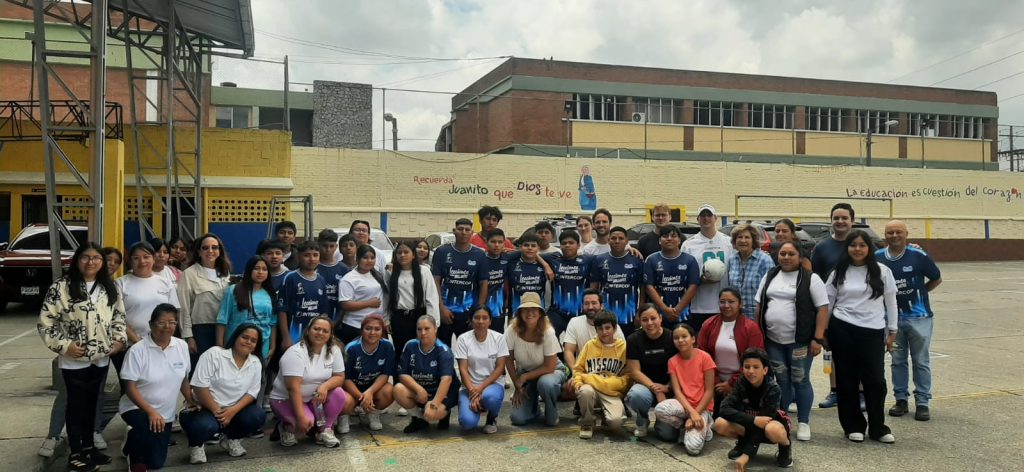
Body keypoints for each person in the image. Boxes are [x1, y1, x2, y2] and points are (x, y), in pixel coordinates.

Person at [38, 242, 127, 472]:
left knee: (91, 403)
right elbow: (46, 322)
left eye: (96, 258)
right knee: (76, 405)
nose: (91, 262)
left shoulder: (109, 287)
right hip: (73, 359)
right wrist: (65, 346)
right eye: (85, 257)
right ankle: (75, 453)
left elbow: (118, 316)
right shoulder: (62, 287)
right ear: (77, 260)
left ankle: (89, 448)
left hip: (101, 356)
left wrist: (118, 340)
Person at [825, 230, 898, 444]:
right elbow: (828, 303)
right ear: (847, 248)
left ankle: (878, 428)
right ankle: (853, 426)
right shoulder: (838, 272)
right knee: (846, 379)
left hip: (873, 331)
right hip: (842, 328)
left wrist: (892, 332)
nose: (857, 249)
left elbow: (891, 302)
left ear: (869, 248)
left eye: (862, 245)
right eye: (853, 245)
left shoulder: (882, 271)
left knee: (875, 380)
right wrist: (824, 332)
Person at [754, 241, 829, 441]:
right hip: (773, 341)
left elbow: (822, 309)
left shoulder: (811, 278)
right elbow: (759, 305)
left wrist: (818, 338)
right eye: (783, 254)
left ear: (800, 257)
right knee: (781, 381)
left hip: (800, 342)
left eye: (791, 254)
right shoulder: (770, 275)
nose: (786, 257)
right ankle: (782, 418)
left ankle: (803, 422)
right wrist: (759, 334)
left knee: (800, 380)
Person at [878, 220, 942, 421]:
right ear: (885, 235)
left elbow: (936, 278)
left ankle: (922, 402)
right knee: (897, 360)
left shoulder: (918, 255)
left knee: (920, 360)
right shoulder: (877, 258)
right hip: (891, 319)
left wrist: (921, 293)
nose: (894, 236)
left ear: (906, 234)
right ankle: (901, 399)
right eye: (890, 232)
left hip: (918, 318)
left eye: (898, 232)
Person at [119, 303, 192, 471]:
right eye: (161, 322)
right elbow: (129, 387)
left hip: (165, 415)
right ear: (151, 325)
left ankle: (130, 441)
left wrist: (191, 399)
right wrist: (150, 411)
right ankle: (134, 452)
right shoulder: (137, 350)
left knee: (156, 463)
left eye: (172, 322)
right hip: (136, 408)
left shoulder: (181, 346)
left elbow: (184, 378)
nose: (167, 326)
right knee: (143, 431)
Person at [182, 324, 266, 464]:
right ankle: (196, 445)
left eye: (253, 340)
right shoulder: (215, 354)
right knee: (204, 426)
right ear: (235, 337)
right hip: (204, 407)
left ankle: (232, 439)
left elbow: (252, 393)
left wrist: (232, 411)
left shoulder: (255, 362)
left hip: (233, 410)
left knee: (257, 416)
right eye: (244, 337)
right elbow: (199, 385)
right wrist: (218, 412)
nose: (248, 342)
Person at [269, 316, 348, 448]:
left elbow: (339, 376)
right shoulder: (295, 353)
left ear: (330, 335)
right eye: (316, 329)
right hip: (285, 399)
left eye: (325, 331)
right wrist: (301, 417)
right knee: (306, 422)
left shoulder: (334, 350)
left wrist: (325, 386)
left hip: (313, 398)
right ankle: (286, 427)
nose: (320, 333)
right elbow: (293, 389)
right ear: (308, 330)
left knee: (338, 393)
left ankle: (325, 430)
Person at [714, 348, 793, 471]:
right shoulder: (741, 383)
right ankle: (743, 443)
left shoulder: (773, 388)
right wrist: (753, 419)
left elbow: (763, 423)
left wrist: (747, 455)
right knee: (720, 423)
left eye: (756, 367)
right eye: (747, 367)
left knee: (772, 429)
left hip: (772, 425)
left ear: (765, 370)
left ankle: (785, 447)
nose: (751, 371)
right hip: (752, 422)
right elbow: (724, 408)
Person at [811, 203, 855, 409]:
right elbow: (815, 278)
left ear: (852, 221)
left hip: (856, 308)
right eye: (836, 218)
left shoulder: (860, 244)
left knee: (858, 353)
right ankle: (835, 391)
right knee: (831, 352)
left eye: (844, 218)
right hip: (830, 310)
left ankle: (859, 393)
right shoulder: (822, 248)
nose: (840, 221)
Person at [696, 289, 765, 416]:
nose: (726, 305)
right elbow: (701, 355)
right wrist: (715, 381)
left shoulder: (751, 328)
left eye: (731, 302)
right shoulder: (708, 324)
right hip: (713, 380)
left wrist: (731, 383)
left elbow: (756, 360)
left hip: (744, 379)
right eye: (722, 302)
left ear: (740, 304)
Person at [116, 242, 180, 379]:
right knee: (131, 384)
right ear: (129, 261)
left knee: (158, 382)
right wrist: (137, 340)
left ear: (153, 258)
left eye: (146, 257)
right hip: (130, 345)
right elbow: (116, 316)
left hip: (160, 345)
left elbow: (173, 314)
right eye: (136, 258)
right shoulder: (121, 283)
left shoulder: (165, 283)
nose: (142, 261)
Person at [653, 323, 716, 455]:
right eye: (676, 338)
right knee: (660, 409)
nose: (680, 340)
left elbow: (709, 391)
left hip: (702, 407)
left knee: (693, 448)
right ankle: (684, 426)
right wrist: (690, 414)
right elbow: (677, 391)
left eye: (684, 336)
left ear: (693, 339)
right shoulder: (672, 361)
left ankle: (706, 426)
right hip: (683, 405)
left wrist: (695, 414)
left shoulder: (705, 357)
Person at [506, 292, 568, 427]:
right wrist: (517, 384)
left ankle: (551, 411)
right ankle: (534, 409)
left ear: (540, 313)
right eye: (525, 310)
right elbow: (508, 359)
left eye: (534, 309)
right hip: (526, 373)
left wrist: (523, 378)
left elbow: (549, 367)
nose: (530, 313)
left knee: (546, 384)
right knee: (518, 419)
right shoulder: (511, 330)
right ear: (520, 313)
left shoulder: (548, 331)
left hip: (551, 372)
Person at [395, 315, 459, 433]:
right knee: (398, 389)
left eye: (427, 329)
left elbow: (446, 381)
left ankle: (445, 414)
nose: (423, 333)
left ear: (435, 329)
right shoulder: (410, 345)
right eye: (419, 329)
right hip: (422, 390)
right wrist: (419, 389)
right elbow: (402, 374)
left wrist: (434, 405)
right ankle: (418, 419)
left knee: (435, 413)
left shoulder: (444, 350)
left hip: (442, 391)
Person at [573, 309, 630, 439]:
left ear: (615, 328)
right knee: (585, 391)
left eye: (607, 328)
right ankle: (587, 423)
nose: (604, 332)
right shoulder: (590, 345)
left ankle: (606, 415)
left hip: (611, 392)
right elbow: (578, 370)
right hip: (591, 389)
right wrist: (578, 382)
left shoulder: (623, 348)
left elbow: (628, 377)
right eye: (600, 329)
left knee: (616, 423)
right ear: (596, 330)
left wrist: (590, 378)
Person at [433, 218, 489, 345]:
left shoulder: (480, 254)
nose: (463, 232)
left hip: (468, 312)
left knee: (468, 350)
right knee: (443, 349)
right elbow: (435, 281)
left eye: (467, 230)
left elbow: (483, 283)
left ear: (472, 233)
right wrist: (440, 308)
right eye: (460, 229)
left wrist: (477, 312)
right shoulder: (442, 252)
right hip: (445, 311)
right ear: (454, 231)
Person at [681, 204, 734, 337]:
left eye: (709, 215)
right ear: (698, 219)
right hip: (699, 306)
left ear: (715, 218)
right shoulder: (689, 244)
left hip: (724, 304)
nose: (706, 218)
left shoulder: (728, 242)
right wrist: (699, 280)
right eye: (703, 216)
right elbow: (684, 274)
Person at [178, 234, 232, 363]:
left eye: (214, 247)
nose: (210, 251)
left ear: (220, 251)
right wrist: (188, 337)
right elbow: (183, 308)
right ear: (198, 252)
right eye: (205, 248)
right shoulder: (189, 274)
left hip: (224, 329)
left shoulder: (225, 273)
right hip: (200, 332)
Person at [455, 307, 509, 434]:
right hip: (470, 387)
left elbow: (500, 368)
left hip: (492, 384)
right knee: (467, 423)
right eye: (477, 318)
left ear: (490, 321)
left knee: (490, 398)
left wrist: (480, 389)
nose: (480, 321)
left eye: (485, 318)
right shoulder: (463, 339)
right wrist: (472, 392)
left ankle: (491, 418)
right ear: (471, 320)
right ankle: (479, 406)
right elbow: (463, 369)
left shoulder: (499, 338)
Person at [625, 304, 676, 438]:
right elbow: (635, 372)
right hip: (646, 389)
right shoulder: (633, 340)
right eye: (645, 320)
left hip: (670, 388)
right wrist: (657, 390)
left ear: (660, 318)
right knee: (635, 394)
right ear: (640, 322)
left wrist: (667, 387)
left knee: (668, 436)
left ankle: (662, 418)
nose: (649, 323)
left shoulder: (672, 338)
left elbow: (681, 370)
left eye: (653, 318)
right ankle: (642, 420)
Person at [216, 256, 277, 361]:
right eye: (256, 268)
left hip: (261, 346)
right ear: (249, 270)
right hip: (235, 345)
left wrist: (272, 347)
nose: (260, 272)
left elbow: (272, 323)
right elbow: (222, 319)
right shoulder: (234, 290)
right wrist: (219, 345)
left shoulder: (270, 294)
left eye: (264, 269)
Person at [341, 315, 395, 432]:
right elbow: (345, 379)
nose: (372, 332)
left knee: (389, 391)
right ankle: (344, 415)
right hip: (352, 388)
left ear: (382, 331)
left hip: (372, 388)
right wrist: (363, 398)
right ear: (361, 330)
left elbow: (385, 374)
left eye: (377, 329)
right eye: (368, 328)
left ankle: (372, 412)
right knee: (345, 400)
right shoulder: (351, 348)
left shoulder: (387, 346)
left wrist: (370, 392)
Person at [388, 241, 440, 360]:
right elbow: (387, 298)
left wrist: (434, 323)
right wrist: (387, 319)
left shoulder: (424, 271)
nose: (402, 255)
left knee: (421, 351)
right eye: (399, 252)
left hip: (419, 316)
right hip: (399, 319)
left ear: (413, 255)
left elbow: (431, 298)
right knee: (401, 353)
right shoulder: (391, 273)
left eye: (406, 252)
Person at [590, 226, 644, 337]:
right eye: (613, 238)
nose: (617, 241)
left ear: (627, 241)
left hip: (629, 314)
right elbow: (594, 288)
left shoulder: (636, 260)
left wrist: (640, 312)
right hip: (605, 315)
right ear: (608, 240)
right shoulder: (599, 259)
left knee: (628, 344)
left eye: (621, 238)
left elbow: (643, 288)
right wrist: (595, 310)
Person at [277, 241, 332, 349]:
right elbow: (282, 310)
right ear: (298, 257)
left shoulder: (321, 280)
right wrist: (286, 337)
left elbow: (323, 313)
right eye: (307, 255)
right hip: (294, 333)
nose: (312, 259)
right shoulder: (290, 278)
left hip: (315, 335)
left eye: (315, 255)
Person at [644, 225, 700, 328]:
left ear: (679, 240)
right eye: (665, 236)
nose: (669, 239)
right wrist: (664, 309)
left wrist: (678, 309)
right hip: (658, 315)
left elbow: (693, 286)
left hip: (683, 314)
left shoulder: (690, 260)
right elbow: (649, 287)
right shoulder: (651, 260)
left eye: (673, 236)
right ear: (659, 241)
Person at [544, 230, 593, 336]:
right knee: (548, 337)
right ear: (560, 246)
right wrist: (546, 265)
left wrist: (628, 248)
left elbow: (608, 257)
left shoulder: (588, 260)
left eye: (571, 243)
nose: (567, 245)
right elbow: (533, 254)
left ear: (578, 245)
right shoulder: (553, 259)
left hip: (579, 313)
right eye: (564, 243)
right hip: (557, 312)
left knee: (578, 343)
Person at [338, 244, 389, 344]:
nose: (369, 261)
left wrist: (386, 320)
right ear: (357, 259)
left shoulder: (377, 275)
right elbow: (345, 304)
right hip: (355, 326)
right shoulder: (349, 279)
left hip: (376, 325)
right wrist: (369, 303)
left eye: (372, 258)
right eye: (365, 258)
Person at [563, 289, 625, 369]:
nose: (590, 307)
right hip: (582, 370)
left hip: (609, 371)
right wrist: (575, 372)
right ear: (582, 306)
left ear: (602, 306)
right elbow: (568, 351)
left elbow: (622, 354)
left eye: (594, 303)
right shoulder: (574, 322)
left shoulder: (613, 326)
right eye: (586, 303)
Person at [726, 224, 775, 320]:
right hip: (736, 316)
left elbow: (771, 291)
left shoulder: (764, 260)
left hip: (757, 316)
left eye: (747, 237)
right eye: (740, 237)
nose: (743, 240)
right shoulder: (732, 260)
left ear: (753, 241)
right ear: (735, 241)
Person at [506, 233, 549, 314]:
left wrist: (546, 265)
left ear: (538, 248)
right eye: (526, 245)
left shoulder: (546, 264)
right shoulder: (511, 264)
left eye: (533, 246)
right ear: (520, 247)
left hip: (538, 313)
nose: (529, 248)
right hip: (516, 313)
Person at [316, 228, 350, 323]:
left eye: (331, 246)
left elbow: (348, 298)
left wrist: (340, 320)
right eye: (325, 246)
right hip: (315, 318)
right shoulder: (312, 267)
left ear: (336, 247)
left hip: (338, 319)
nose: (328, 249)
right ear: (318, 245)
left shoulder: (344, 269)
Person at [482, 229, 511, 333]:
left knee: (497, 337)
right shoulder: (480, 259)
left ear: (504, 243)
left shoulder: (507, 258)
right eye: (493, 242)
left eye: (500, 242)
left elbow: (526, 251)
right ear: (486, 242)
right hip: (481, 306)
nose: (497, 245)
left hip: (498, 308)